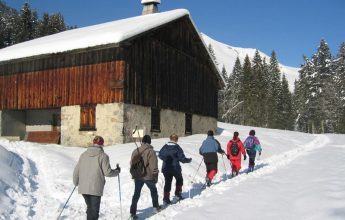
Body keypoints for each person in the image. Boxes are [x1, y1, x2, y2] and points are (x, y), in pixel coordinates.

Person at [73, 136, 121, 220]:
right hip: (95, 188)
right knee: (94, 212)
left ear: (93, 143)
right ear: (102, 144)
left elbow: (76, 170)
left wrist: (76, 182)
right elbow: (108, 172)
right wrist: (117, 171)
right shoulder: (103, 156)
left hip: (84, 187)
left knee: (90, 209)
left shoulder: (83, 155)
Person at [129, 135, 160, 220]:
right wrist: (155, 176)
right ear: (150, 142)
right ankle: (156, 207)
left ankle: (132, 212)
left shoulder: (136, 150)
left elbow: (131, 163)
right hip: (148, 176)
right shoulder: (151, 151)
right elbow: (154, 166)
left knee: (136, 194)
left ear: (142, 141)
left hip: (138, 176)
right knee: (153, 191)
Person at [158, 134, 192, 204]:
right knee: (179, 180)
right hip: (175, 168)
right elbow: (182, 158)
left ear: (170, 138)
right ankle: (178, 194)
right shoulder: (177, 147)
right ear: (176, 139)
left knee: (167, 182)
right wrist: (188, 160)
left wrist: (166, 160)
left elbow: (160, 155)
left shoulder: (165, 146)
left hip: (166, 168)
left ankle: (166, 198)